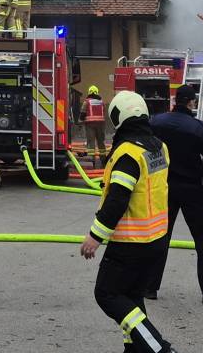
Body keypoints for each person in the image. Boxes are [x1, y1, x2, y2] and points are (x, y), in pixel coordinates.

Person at [79, 90, 176, 353]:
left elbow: (117, 201)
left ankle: (160, 348)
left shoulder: (128, 155)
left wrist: (94, 237)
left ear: (119, 117)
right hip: (155, 240)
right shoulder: (158, 147)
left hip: (130, 243)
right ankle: (134, 348)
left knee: (107, 294)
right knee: (131, 297)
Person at [146, 83, 203, 305]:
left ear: (174, 100)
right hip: (192, 188)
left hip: (164, 187)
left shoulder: (156, 122)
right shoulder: (197, 127)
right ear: (191, 102)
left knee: (161, 237)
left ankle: (150, 287)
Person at [82, 84, 107, 162]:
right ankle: (103, 160)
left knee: (91, 143)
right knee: (101, 143)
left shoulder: (87, 102)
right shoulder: (101, 102)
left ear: (89, 92)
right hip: (101, 124)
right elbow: (104, 111)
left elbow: (83, 112)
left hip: (90, 125)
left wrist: (80, 120)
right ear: (97, 92)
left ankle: (91, 160)